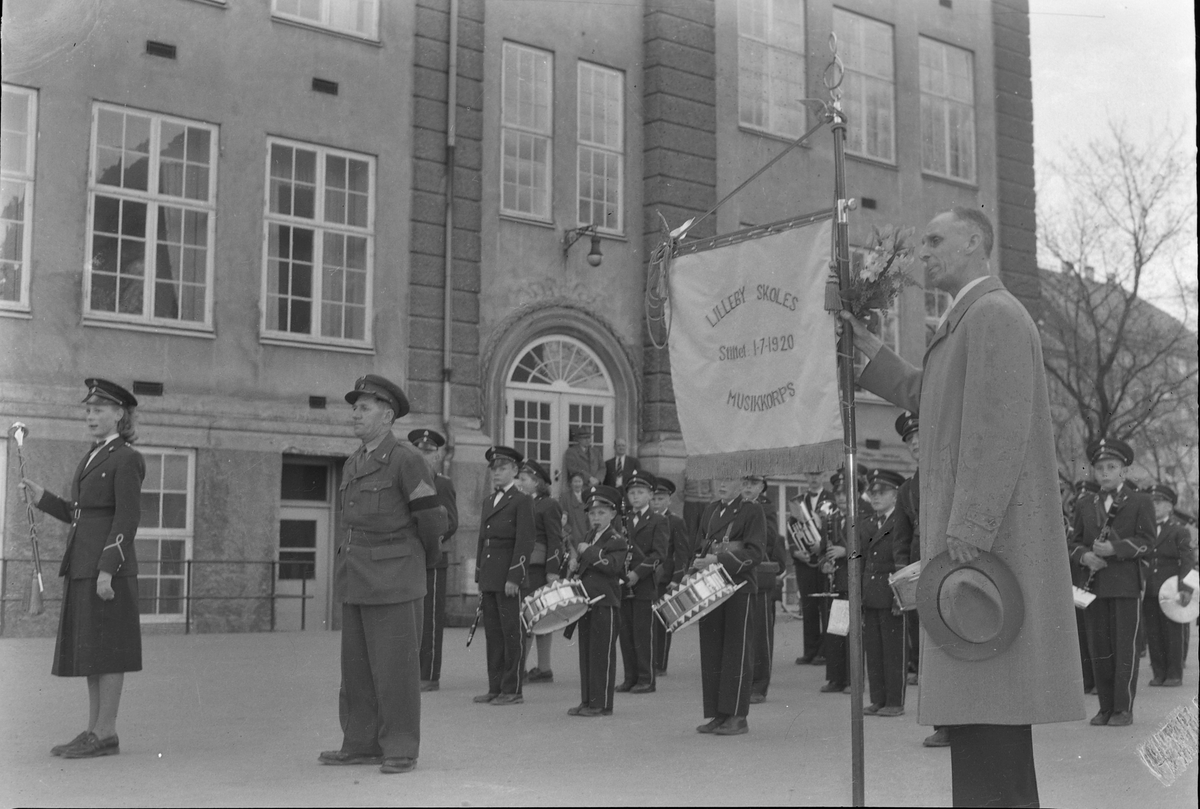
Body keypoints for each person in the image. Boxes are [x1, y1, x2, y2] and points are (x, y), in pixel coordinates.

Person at [846, 207, 1085, 808]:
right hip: (973, 549)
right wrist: (870, 353)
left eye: (935, 241)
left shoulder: (995, 315)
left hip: (982, 549)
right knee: (984, 719)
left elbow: (998, 429)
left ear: (975, 241)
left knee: (991, 716)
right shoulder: (971, 318)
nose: (923, 253)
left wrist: (971, 527)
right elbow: (932, 397)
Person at [319, 375, 447, 774]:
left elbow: (432, 521)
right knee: (355, 669)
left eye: (364, 408)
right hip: (356, 577)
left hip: (394, 579)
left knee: (395, 670)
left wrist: (413, 565)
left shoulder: (408, 460)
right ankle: (360, 742)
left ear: (388, 415)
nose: (355, 414)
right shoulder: (354, 461)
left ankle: (400, 748)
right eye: (354, 408)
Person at [22, 378, 144, 759]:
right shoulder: (94, 454)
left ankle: (105, 733)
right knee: (94, 651)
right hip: (83, 566)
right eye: (88, 410)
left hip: (106, 570)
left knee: (107, 652)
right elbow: (81, 514)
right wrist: (43, 499)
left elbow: (126, 518)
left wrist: (108, 568)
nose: (90, 416)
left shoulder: (126, 457)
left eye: (99, 410)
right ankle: (95, 730)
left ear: (120, 414)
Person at [1069, 437, 1155, 727]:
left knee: (1124, 647)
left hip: (1124, 584)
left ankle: (1123, 709)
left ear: (1124, 471)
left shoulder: (1140, 501)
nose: (1105, 472)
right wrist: (1085, 557)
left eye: (1112, 467)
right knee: (1099, 648)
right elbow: (1074, 542)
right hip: (1094, 586)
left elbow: (1148, 542)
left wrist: (1115, 549)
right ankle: (1105, 707)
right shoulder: (1084, 503)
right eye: (1100, 468)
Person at [692, 478, 764, 736]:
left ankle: (737, 716)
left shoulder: (751, 510)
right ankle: (718, 713)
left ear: (741, 484)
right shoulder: (711, 510)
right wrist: (693, 569)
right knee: (712, 650)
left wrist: (719, 559)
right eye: (718, 479)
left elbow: (755, 553)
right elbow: (700, 546)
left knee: (736, 652)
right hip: (711, 587)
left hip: (738, 587)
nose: (721, 485)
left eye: (729, 480)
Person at [474, 446, 536, 706]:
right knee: (494, 634)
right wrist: (479, 575)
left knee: (512, 632)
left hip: (508, 576)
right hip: (490, 575)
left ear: (514, 470)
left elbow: (524, 541)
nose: (497, 473)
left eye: (502, 468)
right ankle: (495, 686)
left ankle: (513, 689)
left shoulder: (522, 501)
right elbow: (482, 540)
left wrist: (515, 576)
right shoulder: (489, 500)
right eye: (494, 469)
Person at [565, 485, 629, 717]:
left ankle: (601, 704)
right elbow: (586, 566)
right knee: (587, 654)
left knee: (602, 655)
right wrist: (574, 564)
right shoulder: (589, 536)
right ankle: (587, 700)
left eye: (601, 513)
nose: (596, 517)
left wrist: (588, 552)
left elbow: (611, 567)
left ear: (612, 514)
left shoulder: (616, 539)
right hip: (587, 603)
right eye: (592, 513)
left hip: (606, 603)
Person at [408, 429, 459, 694]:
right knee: (411, 618)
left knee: (430, 619)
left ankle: (429, 675)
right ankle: (411, 672)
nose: (424, 455)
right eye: (419, 450)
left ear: (437, 455)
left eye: (428, 451)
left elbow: (451, 521)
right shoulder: (408, 482)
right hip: (411, 558)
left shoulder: (443, 484)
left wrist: (431, 538)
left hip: (435, 558)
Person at [860, 468, 908, 717]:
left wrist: (900, 596)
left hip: (891, 593)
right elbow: (859, 561)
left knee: (893, 650)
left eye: (882, 492)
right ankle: (878, 699)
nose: (875, 496)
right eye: (872, 492)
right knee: (874, 650)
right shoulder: (867, 523)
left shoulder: (900, 522)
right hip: (870, 593)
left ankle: (894, 701)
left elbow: (903, 559)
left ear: (896, 495)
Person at [616, 471, 668, 694]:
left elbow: (659, 554)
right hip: (622, 583)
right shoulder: (621, 520)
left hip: (644, 583)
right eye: (632, 492)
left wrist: (637, 574)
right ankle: (630, 677)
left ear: (649, 495)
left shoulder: (658, 520)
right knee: (625, 633)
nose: (635, 496)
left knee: (642, 633)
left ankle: (646, 678)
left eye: (640, 492)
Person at [1143, 484, 1195, 687]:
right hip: (1149, 589)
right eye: (1151, 503)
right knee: (1153, 632)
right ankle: (1158, 673)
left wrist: (1186, 589)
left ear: (1169, 507)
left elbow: (1188, 561)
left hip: (1171, 589)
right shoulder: (1144, 530)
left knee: (1172, 632)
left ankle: (1174, 674)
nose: (1154, 507)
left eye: (1158, 503)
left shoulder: (1179, 530)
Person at [517, 459, 564, 684]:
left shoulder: (548, 505)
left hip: (538, 567)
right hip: (524, 565)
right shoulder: (523, 503)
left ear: (536, 482)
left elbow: (556, 539)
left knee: (532, 617)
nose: (520, 482)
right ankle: (541, 669)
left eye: (524, 479)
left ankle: (526, 669)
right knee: (534, 618)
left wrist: (552, 570)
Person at [745, 474, 785, 704]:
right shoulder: (736, 507)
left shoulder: (765, 508)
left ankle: (759, 685)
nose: (747, 487)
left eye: (752, 484)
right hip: (738, 572)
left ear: (761, 487)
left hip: (759, 573)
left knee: (760, 634)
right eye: (744, 483)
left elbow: (769, 537)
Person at [791, 472, 834, 666]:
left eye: (817, 474)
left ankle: (824, 651)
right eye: (810, 475)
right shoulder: (798, 502)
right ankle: (809, 651)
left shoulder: (832, 499)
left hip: (825, 561)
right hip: (805, 562)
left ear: (824, 475)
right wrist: (795, 552)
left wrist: (822, 545)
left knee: (825, 607)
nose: (814, 478)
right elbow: (791, 528)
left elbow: (835, 528)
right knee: (808, 607)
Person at [650, 475, 690, 675]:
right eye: (654, 499)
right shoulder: (645, 520)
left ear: (669, 500)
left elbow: (682, 552)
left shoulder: (675, 522)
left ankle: (659, 664)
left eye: (660, 499)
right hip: (646, 577)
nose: (656, 503)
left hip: (665, 579)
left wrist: (677, 578)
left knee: (661, 622)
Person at [892, 413, 921, 686]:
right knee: (918, 624)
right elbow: (901, 538)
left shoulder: (950, 476)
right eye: (909, 440)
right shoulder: (906, 490)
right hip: (917, 568)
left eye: (919, 436)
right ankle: (920, 667)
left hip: (951, 563)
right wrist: (902, 571)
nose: (914, 443)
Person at [818, 471, 850, 694]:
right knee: (835, 632)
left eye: (844, 493)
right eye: (837, 494)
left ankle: (850, 679)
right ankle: (835, 678)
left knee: (850, 633)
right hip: (835, 581)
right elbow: (822, 552)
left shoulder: (863, 518)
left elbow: (867, 550)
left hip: (852, 582)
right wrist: (824, 564)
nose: (840, 498)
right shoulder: (831, 519)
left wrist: (845, 551)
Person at [1071, 479, 1101, 696]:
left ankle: (1098, 680)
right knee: (1081, 636)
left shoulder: (1099, 519)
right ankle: (1087, 680)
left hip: (1093, 580)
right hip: (1076, 583)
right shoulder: (1070, 525)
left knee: (1096, 635)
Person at [559, 471, 590, 550]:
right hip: (573, 529)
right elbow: (562, 514)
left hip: (586, 529)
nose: (577, 484)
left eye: (579, 481)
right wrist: (568, 529)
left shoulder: (587, 495)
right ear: (571, 483)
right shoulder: (565, 497)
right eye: (575, 482)